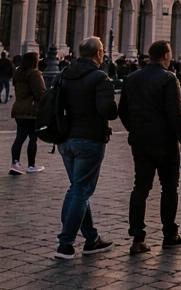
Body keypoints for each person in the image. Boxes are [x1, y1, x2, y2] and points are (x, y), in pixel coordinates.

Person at [119, 41, 181, 255]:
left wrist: (135, 128)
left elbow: (122, 110)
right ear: (166, 55)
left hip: (140, 141)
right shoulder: (169, 79)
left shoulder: (132, 78)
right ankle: (170, 234)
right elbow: (175, 113)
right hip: (166, 142)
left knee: (141, 187)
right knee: (169, 188)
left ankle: (138, 237)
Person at [53, 37, 117, 260]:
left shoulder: (64, 74)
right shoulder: (100, 77)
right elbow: (106, 109)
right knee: (79, 191)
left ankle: (92, 240)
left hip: (65, 140)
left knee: (77, 188)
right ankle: (65, 244)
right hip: (90, 139)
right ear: (99, 53)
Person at [9, 49, 46, 175]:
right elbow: (40, 92)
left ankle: (15, 163)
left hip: (18, 107)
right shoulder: (34, 74)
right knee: (33, 137)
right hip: (31, 109)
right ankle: (31, 165)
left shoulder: (18, 73)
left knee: (20, 137)